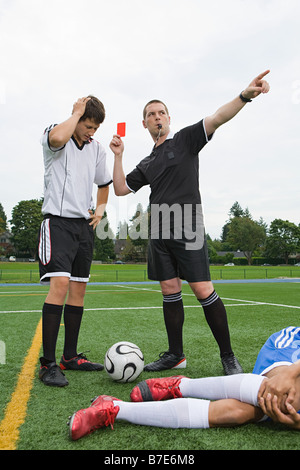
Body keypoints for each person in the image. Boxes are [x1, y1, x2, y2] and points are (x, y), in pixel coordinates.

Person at [110, 71, 270, 375]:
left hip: (188, 226)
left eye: (160, 113)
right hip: (158, 231)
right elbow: (119, 188)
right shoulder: (146, 163)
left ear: (168, 118)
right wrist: (118, 156)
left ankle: (228, 357)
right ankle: (175, 354)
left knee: (202, 289)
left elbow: (217, 118)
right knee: (169, 289)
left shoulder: (184, 139)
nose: (156, 117)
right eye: (150, 115)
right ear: (144, 123)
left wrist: (245, 96)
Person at [68, 326, 300, 440]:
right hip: (293, 348)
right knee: (283, 396)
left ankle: (114, 408)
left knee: (239, 413)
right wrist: (291, 373)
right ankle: (182, 386)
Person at [38, 96, 112, 387]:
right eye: (88, 125)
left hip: (83, 227)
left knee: (78, 290)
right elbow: (58, 137)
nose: (91, 132)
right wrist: (76, 113)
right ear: (78, 118)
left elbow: (103, 183)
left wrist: (101, 209)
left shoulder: (97, 149)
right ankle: (47, 364)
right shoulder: (56, 135)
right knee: (60, 285)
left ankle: (70, 356)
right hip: (57, 222)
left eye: (95, 128)